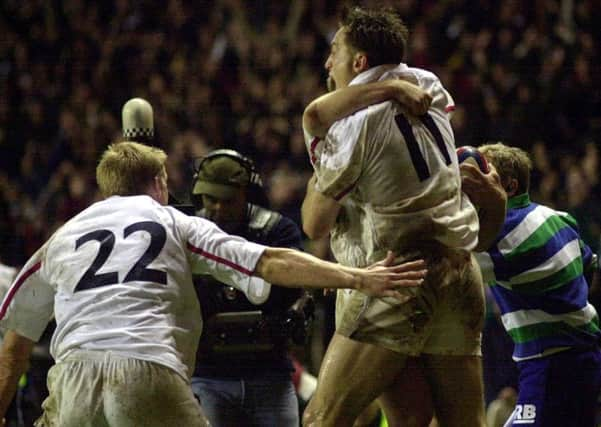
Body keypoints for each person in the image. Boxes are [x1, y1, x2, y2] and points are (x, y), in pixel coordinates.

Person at [0, 141, 427, 427]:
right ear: (160, 183)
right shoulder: (172, 221)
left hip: (74, 376)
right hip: (149, 370)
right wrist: (358, 277)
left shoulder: (61, 238)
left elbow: (14, 349)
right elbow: (271, 262)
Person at [300, 6, 506, 426]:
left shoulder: (353, 126)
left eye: (334, 52)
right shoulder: (428, 85)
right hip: (461, 273)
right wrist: (392, 85)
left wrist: (320, 169)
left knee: (322, 419)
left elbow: (314, 223)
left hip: (397, 277)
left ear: (358, 62)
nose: (327, 63)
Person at [471, 142, 601, 427]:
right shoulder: (560, 217)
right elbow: (589, 266)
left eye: (480, 176)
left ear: (508, 186)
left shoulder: (500, 234)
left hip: (549, 363)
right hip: (586, 354)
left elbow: (451, 265)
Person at [188, 148, 311, 426]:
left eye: (228, 200)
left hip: (269, 372)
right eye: (211, 199)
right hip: (209, 376)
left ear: (247, 193)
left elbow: (294, 292)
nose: (218, 208)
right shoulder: (187, 232)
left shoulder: (278, 231)